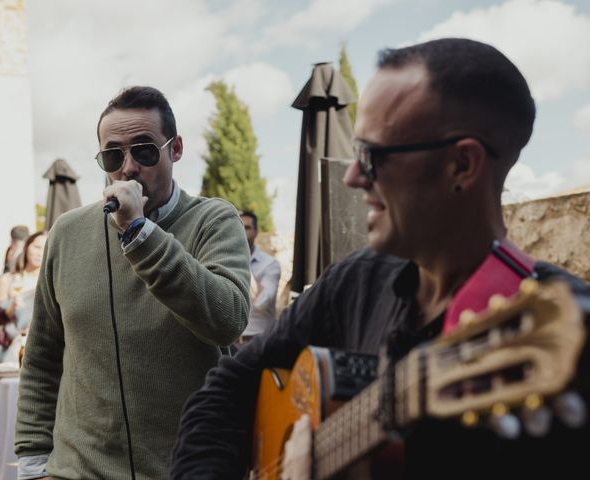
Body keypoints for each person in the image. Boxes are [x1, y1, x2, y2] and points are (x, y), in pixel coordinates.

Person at [171, 38, 590, 479]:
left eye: (372, 156)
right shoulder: (358, 279)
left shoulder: (561, 333)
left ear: (462, 165)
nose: (352, 177)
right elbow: (226, 388)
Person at [14, 86, 250, 479]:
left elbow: (227, 319)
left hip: (187, 466)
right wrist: (35, 461)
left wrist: (140, 234)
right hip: (78, 469)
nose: (127, 168)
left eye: (144, 150)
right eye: (113, 154)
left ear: (175, 150)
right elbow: (43, 354)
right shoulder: (67, 232)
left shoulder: (214, 220)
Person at [0, 231, 47, 362]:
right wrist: (12, 305)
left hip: (45, 350)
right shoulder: (7, 280)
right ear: (27, 246)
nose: (40, 253)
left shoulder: (50, 282)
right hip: (15, 349)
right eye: (37, 247)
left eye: (45, 248)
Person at [237, 210, 280, 345]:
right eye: (239, 226)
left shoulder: (269, 264)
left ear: (256, 232)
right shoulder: (224, 261)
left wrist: (242, 260)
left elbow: (264, 301)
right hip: (230, 342)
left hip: (259, 341)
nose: (242, 231)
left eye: (247, 228)